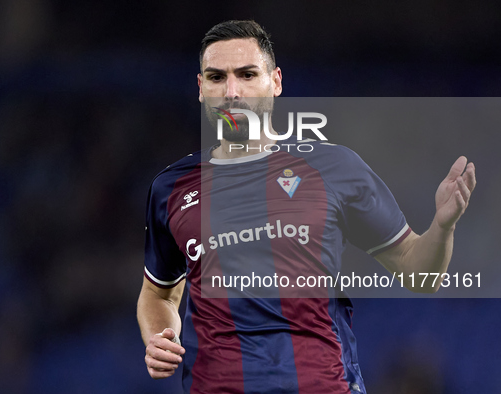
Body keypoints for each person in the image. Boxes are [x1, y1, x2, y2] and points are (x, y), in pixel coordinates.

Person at [136, 20, 476, 394]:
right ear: (201, 89)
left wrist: (442, 227)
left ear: (276, 82)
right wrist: (158, 336)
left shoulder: (335, 168)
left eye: (247, 74)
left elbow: (419, 273)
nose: (232, 92)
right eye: (217, 77)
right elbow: (160, 293)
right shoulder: (170, 188)